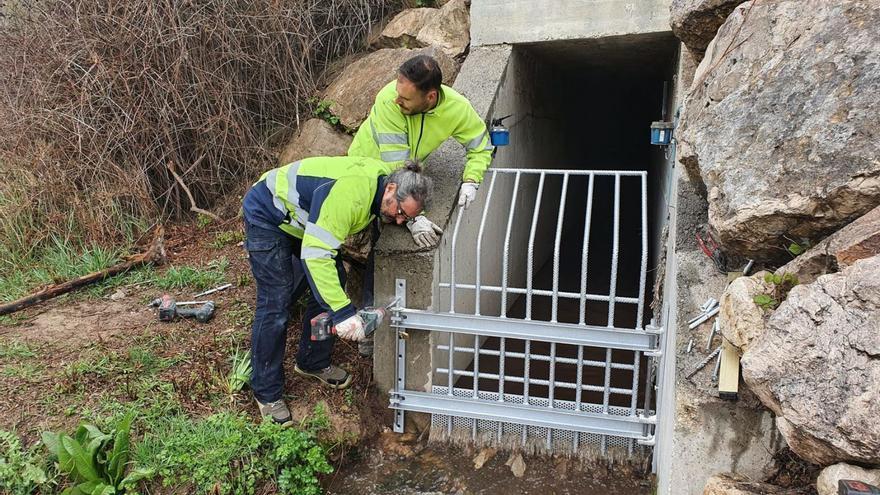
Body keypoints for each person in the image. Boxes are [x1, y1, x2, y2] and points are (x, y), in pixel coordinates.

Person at [242, 156, 432, 424]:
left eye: (406, 218)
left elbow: (320, 247)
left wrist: (415, 220)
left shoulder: (382, 183)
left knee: (335, 280)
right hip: (268, 212)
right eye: (401, 213)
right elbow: (316, 254)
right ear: (390, 189)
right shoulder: (351, 196)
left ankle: (312, 361)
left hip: (300, 220)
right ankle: (266, 392)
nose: (399, 221)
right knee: (276, 302)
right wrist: (343, 314)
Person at [348, 54, 494, 249]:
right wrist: (415, 217)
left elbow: (481, 147)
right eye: (398, 92)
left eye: (406, 98)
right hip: (365, 171)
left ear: (430, 96)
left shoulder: (457, 108)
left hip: (397, 180)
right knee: (350, 238)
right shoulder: (388, 100)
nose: (397, 100)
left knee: (375, 247)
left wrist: (471, 180)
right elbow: (396, 166)